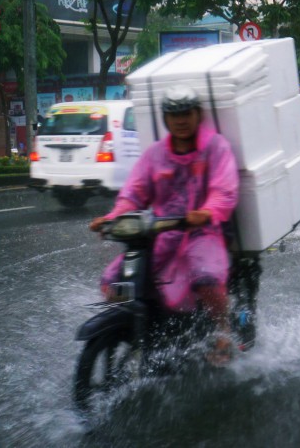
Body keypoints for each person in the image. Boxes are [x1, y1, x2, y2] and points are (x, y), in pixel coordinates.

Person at [89, 85, 239, 366]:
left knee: (205, 279)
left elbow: (224, 191)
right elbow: (133, 194)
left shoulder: (215, 147)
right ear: (165, 119)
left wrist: (206, 211)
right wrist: (112, 218)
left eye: (186, 113)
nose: (180, 120)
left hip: (203, 233)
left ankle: (222, 330)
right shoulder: (155, 154)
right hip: (160, 235)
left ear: (197, 115)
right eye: (174, 114)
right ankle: (136, 328)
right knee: (115, 285)